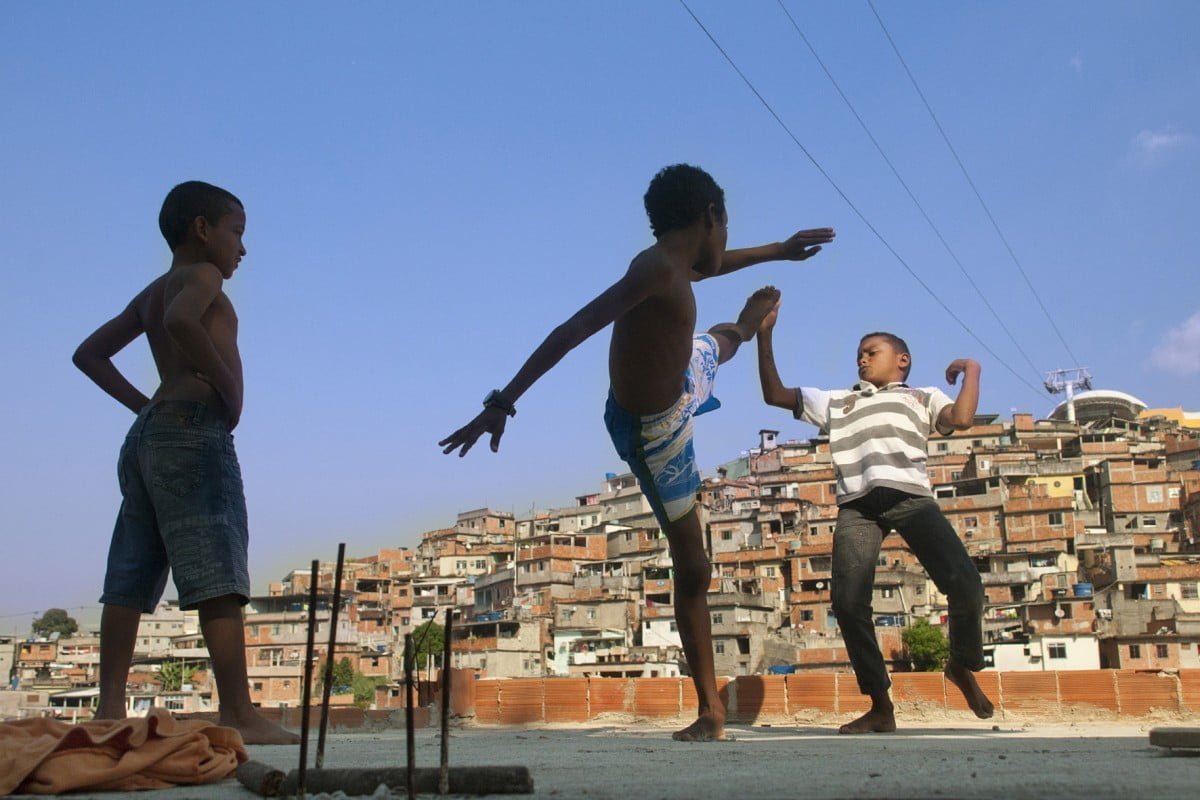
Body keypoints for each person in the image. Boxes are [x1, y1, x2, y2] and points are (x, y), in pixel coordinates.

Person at [439, 164, 834, 741]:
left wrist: (779, 249)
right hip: (654, 432)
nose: (720, 249)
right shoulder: (653, 270)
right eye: (725, 228)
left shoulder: (677, 262)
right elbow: (573, 328)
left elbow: (713, 264)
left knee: (718, 344)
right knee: (694, 565)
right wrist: (504, 400)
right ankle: (710, 711)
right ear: (711, 218)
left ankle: (746, 328)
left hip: (680, 382)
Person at [73, 181, 298, 745]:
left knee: (129, 575)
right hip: (194, 433)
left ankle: (107, 709)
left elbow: (89, 354)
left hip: (150, 435)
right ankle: (240, 712)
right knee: (217, 567)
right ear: (203, 229)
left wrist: (146, 406)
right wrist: (228, 387)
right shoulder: (203, 277)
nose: (241, 249)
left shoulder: (150, 290)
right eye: (237, 232)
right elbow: (180, 322)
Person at [754, 293, 993, 733]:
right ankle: (881, 707)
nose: (862, 360)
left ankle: (962, 666)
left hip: (911, 499)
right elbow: (774, 393)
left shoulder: (923, 396)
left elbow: (961, 419)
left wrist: (972, 370)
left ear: (902, 361)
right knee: (847, 603)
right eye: (859, 355)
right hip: (858, 506)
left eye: (872, 353)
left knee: (965, 585)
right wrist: (764, 333)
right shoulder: (837, 401)